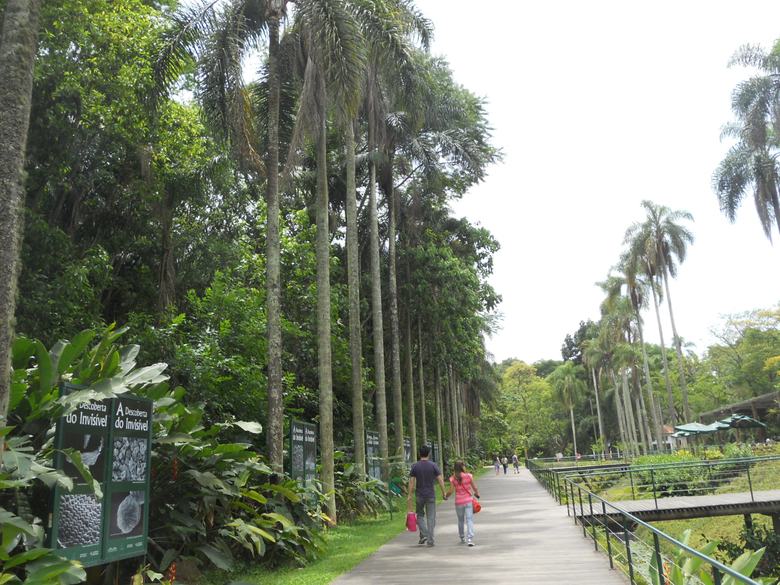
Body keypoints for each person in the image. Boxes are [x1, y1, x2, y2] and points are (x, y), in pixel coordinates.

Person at [408, 444, 448, 547]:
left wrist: (409, 495)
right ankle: (430, 539)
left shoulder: (415, 466)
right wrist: (444, 492)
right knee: (431, 518)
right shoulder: (433, 465)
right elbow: (440, 480)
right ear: (429, 454)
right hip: (431, 495)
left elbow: (411, 482)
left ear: (419, 454)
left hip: (419, 495)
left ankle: (424, 534)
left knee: (420, 515)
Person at [445, 461, 480, 546]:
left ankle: (462, 537)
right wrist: (477, 493)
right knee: (469, 520)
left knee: (460, 520)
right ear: (462, 467)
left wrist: (446, 496)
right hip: (468, 501)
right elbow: (474, 487)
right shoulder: (469, 476)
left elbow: (450, 491)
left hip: (458, 502)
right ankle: (470, 539)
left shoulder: (453, 478)